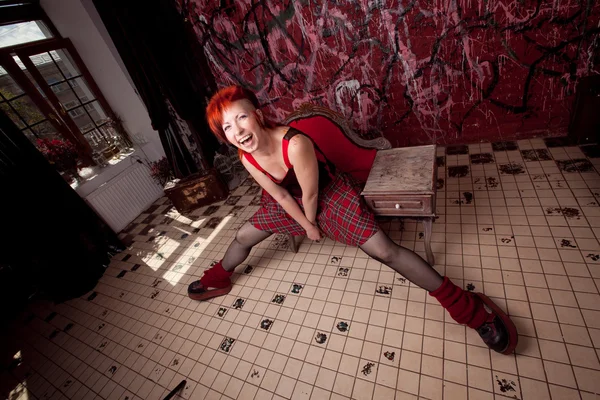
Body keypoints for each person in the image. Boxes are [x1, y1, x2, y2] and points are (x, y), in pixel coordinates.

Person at [188, 85, 518, 355]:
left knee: (385, 251)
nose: (237, 130)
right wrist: (305, 226)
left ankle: (469, 309)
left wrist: (313, 223)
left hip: (328, 195)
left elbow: (311, 194)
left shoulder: (295, 143)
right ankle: (219, 277)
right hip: (292, 203)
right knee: (245, 235)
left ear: (258, 116)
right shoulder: (246, 156)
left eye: (241, 118)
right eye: (226, 127)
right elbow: (280, 196)